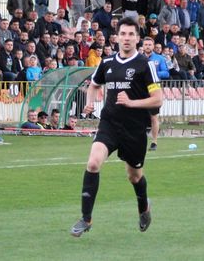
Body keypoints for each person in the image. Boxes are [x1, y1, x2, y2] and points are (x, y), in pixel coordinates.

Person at [70, 17, 163, 237]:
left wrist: (131, 103)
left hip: (134, 129)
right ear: (117, 37)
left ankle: (144, 208)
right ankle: (86, 218)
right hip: (109, 124)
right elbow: (93, 85)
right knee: (93, 163)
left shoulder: (145, 65)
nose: (127, 38)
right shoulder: (107, 63)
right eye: (123, 34)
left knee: (134, 176)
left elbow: (158, 99)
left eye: (131, 34)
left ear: (137, 38)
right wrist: (90, 102)